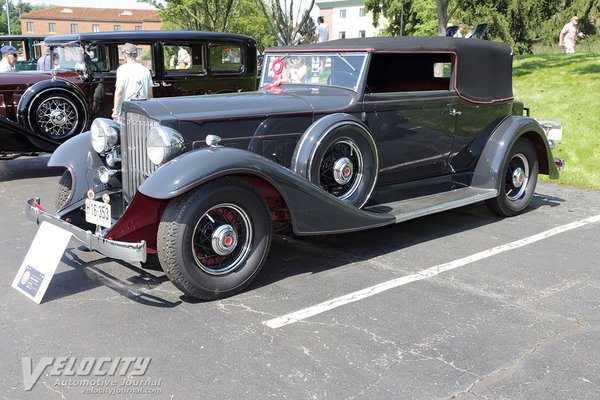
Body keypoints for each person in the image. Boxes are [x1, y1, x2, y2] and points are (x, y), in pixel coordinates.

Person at [112, 43, 153, 122]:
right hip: (142, 112)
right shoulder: (146, 70)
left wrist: (115, 110)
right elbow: (150, 95)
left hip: (126, 112)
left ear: (124, 55)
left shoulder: (122, 70)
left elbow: (119, 91)